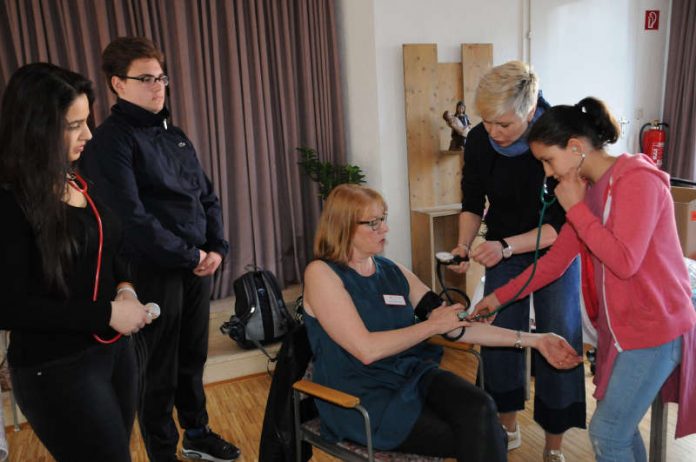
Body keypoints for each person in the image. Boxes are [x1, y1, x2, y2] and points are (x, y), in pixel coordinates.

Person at [473, 97, 696, 462]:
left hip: (657, 328)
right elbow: (552, 264)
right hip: (626, 331)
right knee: (617, 432)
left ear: (575, 147)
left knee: (608, 433)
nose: (547, 173)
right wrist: (497, 299)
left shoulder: (637, 181)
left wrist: (576, 208)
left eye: (548, 160)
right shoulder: (591, 193)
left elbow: (625, 261)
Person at [302, 183, 583, 462]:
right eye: (373, 223)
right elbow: (366, 350)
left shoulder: (391, 271)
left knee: (484, 410)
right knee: (475, 435)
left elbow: (453, 324)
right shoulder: (322, 274)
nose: (384, 229)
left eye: (383, 219)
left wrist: (535, 339)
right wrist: (431, 326)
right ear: (344, 226)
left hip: (408, 377)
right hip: (361, 396)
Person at [80, 37, 239, 462]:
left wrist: (216, 248)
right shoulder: (109, 141)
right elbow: (130, 219)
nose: (158, 87)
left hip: (195, 265)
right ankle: (163, 451)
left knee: (193, 356)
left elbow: (206, 195)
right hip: (151, 268)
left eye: (161, 77)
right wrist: (191, 255)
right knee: (157, 367)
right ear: (118, 84)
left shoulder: (175, 134)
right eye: (146, 79)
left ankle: (197, 433)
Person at [0, 63, 152, 461]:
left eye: (88, 121)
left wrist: (126, 289)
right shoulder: (9, 203)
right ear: (36, 128)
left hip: (112, 353)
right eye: (74, 125)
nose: (88, 134)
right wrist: (106, 314)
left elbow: (111, 245)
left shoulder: (72, 178)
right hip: (56, 367)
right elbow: (10, 306)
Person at [448, 60, 585, 462]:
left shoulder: (560, 139)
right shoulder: (479, 141)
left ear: (529, 112)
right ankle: (505, 425)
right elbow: (473, 200)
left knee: (558, 335)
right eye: (486, 121)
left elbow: (563, 226)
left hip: (554, 251)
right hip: (504, 246)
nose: (493, 132)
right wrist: (462, 244)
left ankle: (555, 443)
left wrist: (506, 246)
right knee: (499, 334)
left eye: (503, 124)